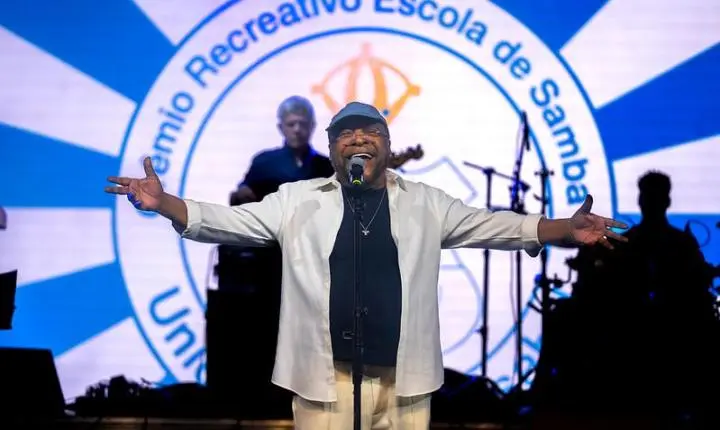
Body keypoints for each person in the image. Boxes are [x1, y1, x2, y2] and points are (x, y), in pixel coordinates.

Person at [106, 101, 627, 429]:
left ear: (387, 145)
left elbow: (493, 225)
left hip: (404, 379)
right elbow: (229, 222)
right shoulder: (298, 199)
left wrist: (564, 228)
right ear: (332, 150)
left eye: (370, 131)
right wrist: (165, 203)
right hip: (325, 378)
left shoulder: (425, 202)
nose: (358, 139)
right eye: (346, 134)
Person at [229, 95, 334, 205]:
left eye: (303, 124)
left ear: (312, 126)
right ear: (280, 127)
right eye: (291, 124)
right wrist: (241, 193)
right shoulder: (264, 163)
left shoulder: (328, 167)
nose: (297, 130)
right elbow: (242, 196)